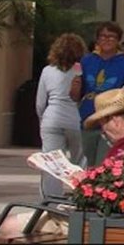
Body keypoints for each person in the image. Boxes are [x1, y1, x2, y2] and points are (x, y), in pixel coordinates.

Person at [0, 84, 124, 245]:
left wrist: (83, 182)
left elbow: (107, 194)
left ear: (115, 121)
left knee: (7, 226)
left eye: (103, 124)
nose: (103, 131)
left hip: (101, 222)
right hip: (121, 221)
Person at [70, 21, 124, 165]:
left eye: (111, 37)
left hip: (113, 123)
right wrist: (75, 87)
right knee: (85, 165)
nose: (107, 40)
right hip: (88, 120)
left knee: (105, 164)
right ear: (97, 39)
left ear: (118, 40)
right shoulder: (87, 61)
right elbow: (75, 96)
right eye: (103, 36)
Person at [35, 33, 86, 198]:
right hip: (75, 120)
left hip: (52, 119)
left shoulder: (47, 71)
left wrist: (42, 120)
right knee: (80, 161)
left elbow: (40, 103)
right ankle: (81, 195)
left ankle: (50, 200)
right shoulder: (80, 70)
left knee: (51, 163)